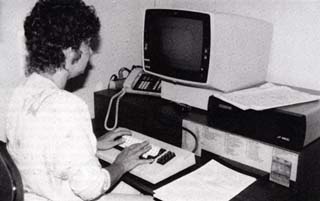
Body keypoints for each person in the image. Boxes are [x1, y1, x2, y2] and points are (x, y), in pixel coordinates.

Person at [5, 0, 154, 200]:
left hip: (35, 195)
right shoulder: (69, 106)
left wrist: (93, 144)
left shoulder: (21, 92)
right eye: (88, 44)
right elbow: (91, 188)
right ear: (70, 51)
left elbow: (42, 150)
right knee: (149, 196)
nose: (91, 51)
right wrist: (121, 163)